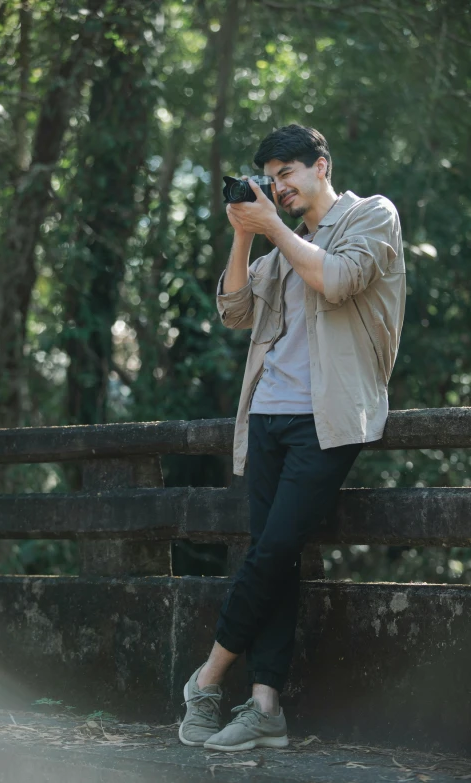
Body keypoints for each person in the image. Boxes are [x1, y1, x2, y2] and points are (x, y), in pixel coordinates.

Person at [178, 124, 406, 752]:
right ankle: (265, 708)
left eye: (287, 173)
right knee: (272, 559)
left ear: (320, 166)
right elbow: (234, 311)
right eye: (270, 178)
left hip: (328, 419)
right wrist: (241, 236)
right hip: (268, 417)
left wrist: (272, 230)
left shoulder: (371, 217)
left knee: (273, 551)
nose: (278, 187)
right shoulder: (282, 248)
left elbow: (337, 281)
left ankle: (207, 678)